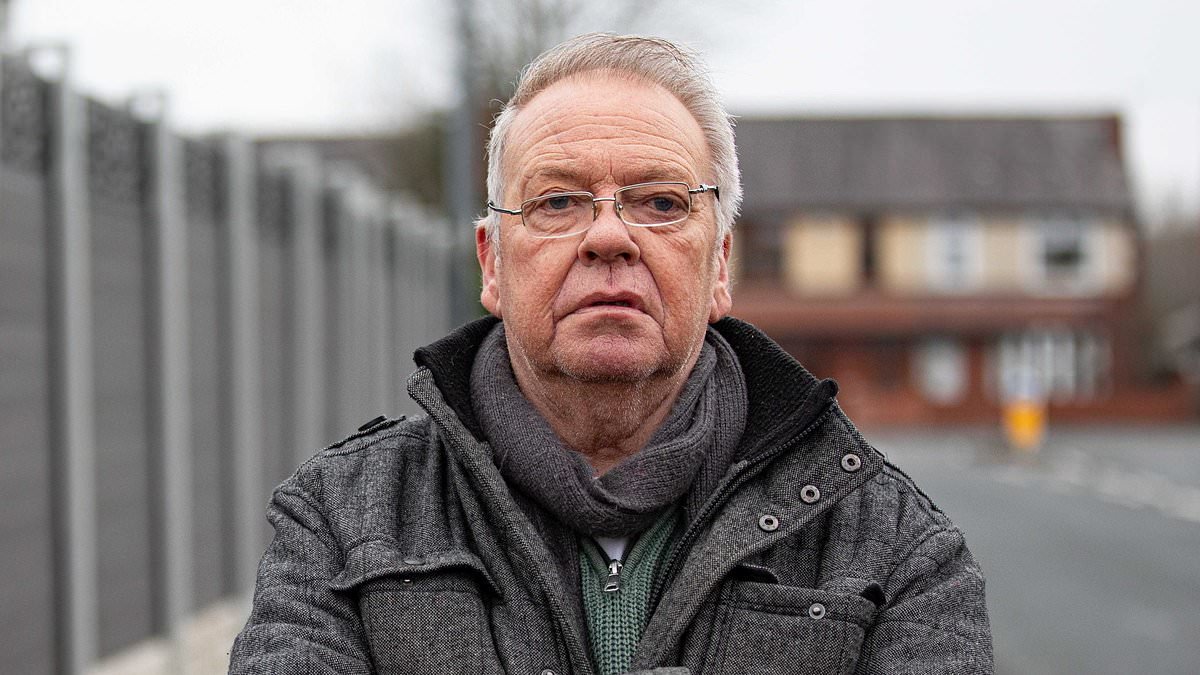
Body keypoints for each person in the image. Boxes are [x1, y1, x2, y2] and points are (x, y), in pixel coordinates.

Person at [229, 33, 992, 674]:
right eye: (558, 201)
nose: (608, 236)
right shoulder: (340, 521)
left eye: (661, 202)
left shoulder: (893, 547)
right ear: (492, 262)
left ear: (720, 263)